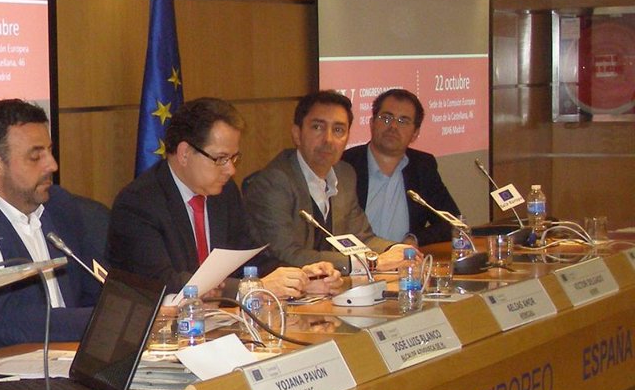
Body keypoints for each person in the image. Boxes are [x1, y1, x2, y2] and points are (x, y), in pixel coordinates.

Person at [108, 97, 340, 298]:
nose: (231, 170)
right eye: (221, 159)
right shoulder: (138, 204)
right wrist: (254, 288)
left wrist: (299, 277)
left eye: (233, 158)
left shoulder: (223, 193)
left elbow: (250, 258)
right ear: (185, 153)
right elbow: (164, 284)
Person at [0, 98, 104, 354]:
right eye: (36, 156)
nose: (52, 165)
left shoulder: (59, 204)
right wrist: (104, 321)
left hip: (72, 354)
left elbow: (94, 286)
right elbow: (12, 321)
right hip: (3, 370)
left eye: (49, 151)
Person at [244, 89, 413, 274]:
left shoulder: (345, 174)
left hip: (331, 284)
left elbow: (362, 236)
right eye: (318, 127)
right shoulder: (274, 182)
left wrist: (397, 250)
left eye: (338, 130)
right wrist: (368, 263)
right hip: (284, 286)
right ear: (297, 134)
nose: (328, 140)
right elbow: (287, 253)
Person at [342, 87, 462, 246]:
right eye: (386, 118)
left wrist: (415, 239)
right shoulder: (346, 164)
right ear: (372, 123)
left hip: (404, 259)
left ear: (415, 133)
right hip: (356, 259)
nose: (393, 126)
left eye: (403, 121)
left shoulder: (422, 166)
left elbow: (453, 223)